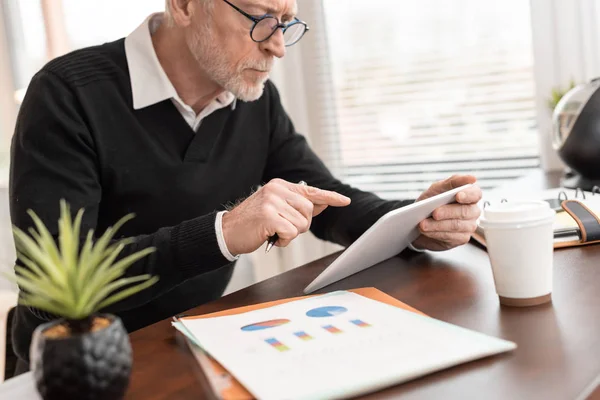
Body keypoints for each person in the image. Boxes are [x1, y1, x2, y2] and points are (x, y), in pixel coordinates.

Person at [9, 0, 482, 373]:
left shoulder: (253, 98)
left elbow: (326, 200)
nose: (278, 46)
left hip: (197, 342)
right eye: (261, 19)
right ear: (185, 5)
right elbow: (54, 286)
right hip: (80, 364)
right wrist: (223, 232)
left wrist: (418, 220)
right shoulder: (67, 94)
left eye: (288, 22)